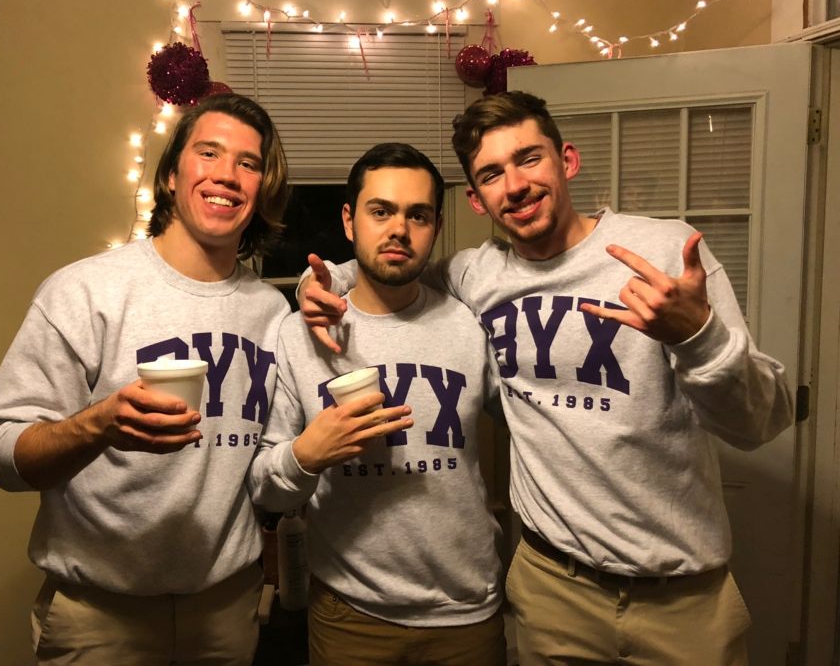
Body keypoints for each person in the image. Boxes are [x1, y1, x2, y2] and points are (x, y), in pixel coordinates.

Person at [298, 92, 794, 665]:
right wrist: (325, 282)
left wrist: (697, 336)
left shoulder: (662, 253)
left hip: (683, 596)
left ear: (568, 160)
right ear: (477, 200)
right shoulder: (476, 275)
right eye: (491, 174)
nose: (515, 186)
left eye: (529, 158)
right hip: (551, 589)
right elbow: (390, 265)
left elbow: (760, 422)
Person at [0, 93, 292, 665]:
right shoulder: (84, 291)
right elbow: (2, 455)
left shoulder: (272, 313)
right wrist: (95, 425)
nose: (227, 174)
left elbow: (270, 465)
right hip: (99, 616)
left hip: (226, 610)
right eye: (209, 153)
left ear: (260, 189)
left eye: (247, 163)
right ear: (171, 175)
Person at [250, 143, 507, 665]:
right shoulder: (298, 335)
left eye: (418, 215)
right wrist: (305, 457)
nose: (399, 230)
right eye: (381, 211)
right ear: (349, 221)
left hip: (466, 610)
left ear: (436, 226)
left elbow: (535, 421)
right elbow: (264, 488)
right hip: (348, 614)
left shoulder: (469, 323)